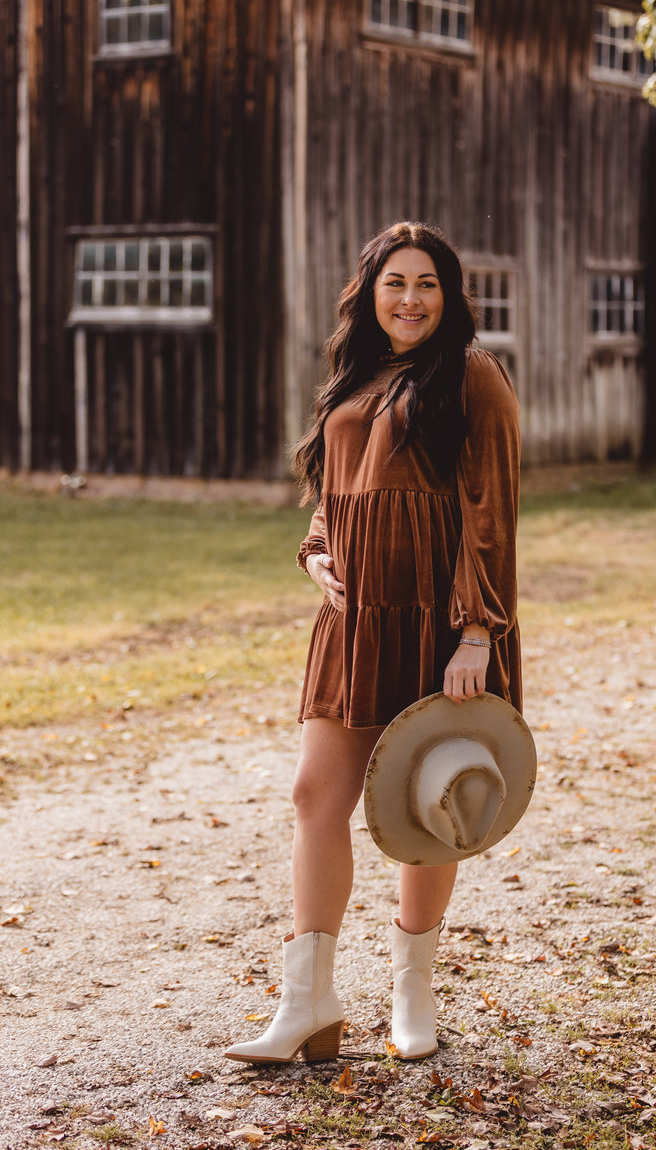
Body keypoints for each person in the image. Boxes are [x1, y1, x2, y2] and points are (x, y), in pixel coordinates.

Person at [225, 220, 522, 1066]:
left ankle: (411, 992)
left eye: (428, 283)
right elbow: (336, 486)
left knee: (427, 806)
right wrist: (318, 550)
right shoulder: (356, 375)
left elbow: (490, 512)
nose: (411, 298)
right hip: (352, 623)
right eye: (396, 282)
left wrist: (476, 632)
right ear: (371, 293)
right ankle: (308, 1003)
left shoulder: (472, 377)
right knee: (316, 795)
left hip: (439, 618)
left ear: (449, 294)